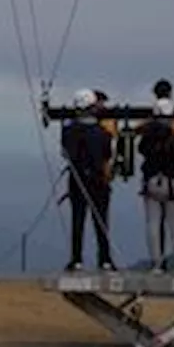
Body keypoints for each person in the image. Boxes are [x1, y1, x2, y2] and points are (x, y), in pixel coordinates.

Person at [61, 90, 113, 269]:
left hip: (77, 179)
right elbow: (107, 154)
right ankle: (105, 259)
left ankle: (76, 259)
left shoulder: (68, 131)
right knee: (101, 220)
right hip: (98, 180)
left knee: (78, 220)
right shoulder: (102, 133)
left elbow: (66, 153)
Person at [138, 96, 174, 269]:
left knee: (153, 223)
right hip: (172, 184)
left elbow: (142, 151)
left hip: (152, 182)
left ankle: (156, 262)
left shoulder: (146, 139)